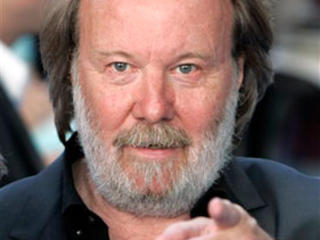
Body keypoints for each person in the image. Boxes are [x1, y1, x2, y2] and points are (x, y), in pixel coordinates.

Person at [0, 0, 319, 239]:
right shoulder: (7, 221)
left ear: (239, 73)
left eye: (186, 69)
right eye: (120, 67)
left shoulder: (310, 213)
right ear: (71, 72)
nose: (154, 109)